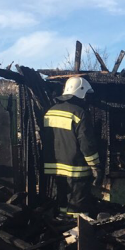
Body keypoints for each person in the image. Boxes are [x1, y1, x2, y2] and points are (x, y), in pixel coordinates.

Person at [42, 77, 102, 218]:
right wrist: (95, 166)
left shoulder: (50, 112)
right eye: (86, 94)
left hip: (54, 168)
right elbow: (86, 144)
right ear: (80, 92)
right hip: (75, 169)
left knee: (62, 203)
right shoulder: (79, 113)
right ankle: (77, 228)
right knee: (77, 208)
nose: (86, 99)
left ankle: (62, 226)